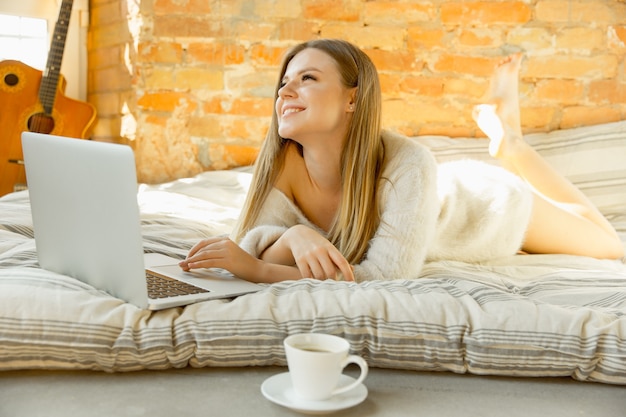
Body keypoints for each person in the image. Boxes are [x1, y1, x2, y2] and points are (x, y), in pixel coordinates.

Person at [179, 39, 624, 283]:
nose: (284, 92)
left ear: (353, 99)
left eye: (308, 78)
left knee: (612, 246)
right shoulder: (280, 166)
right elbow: (253, 242)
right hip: (441, 196)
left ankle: (513, 145)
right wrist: (293, 236)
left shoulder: (408, 163)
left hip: (483, 208)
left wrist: (259, 270)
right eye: (284, 81)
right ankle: (509, 142)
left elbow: (381, 277)